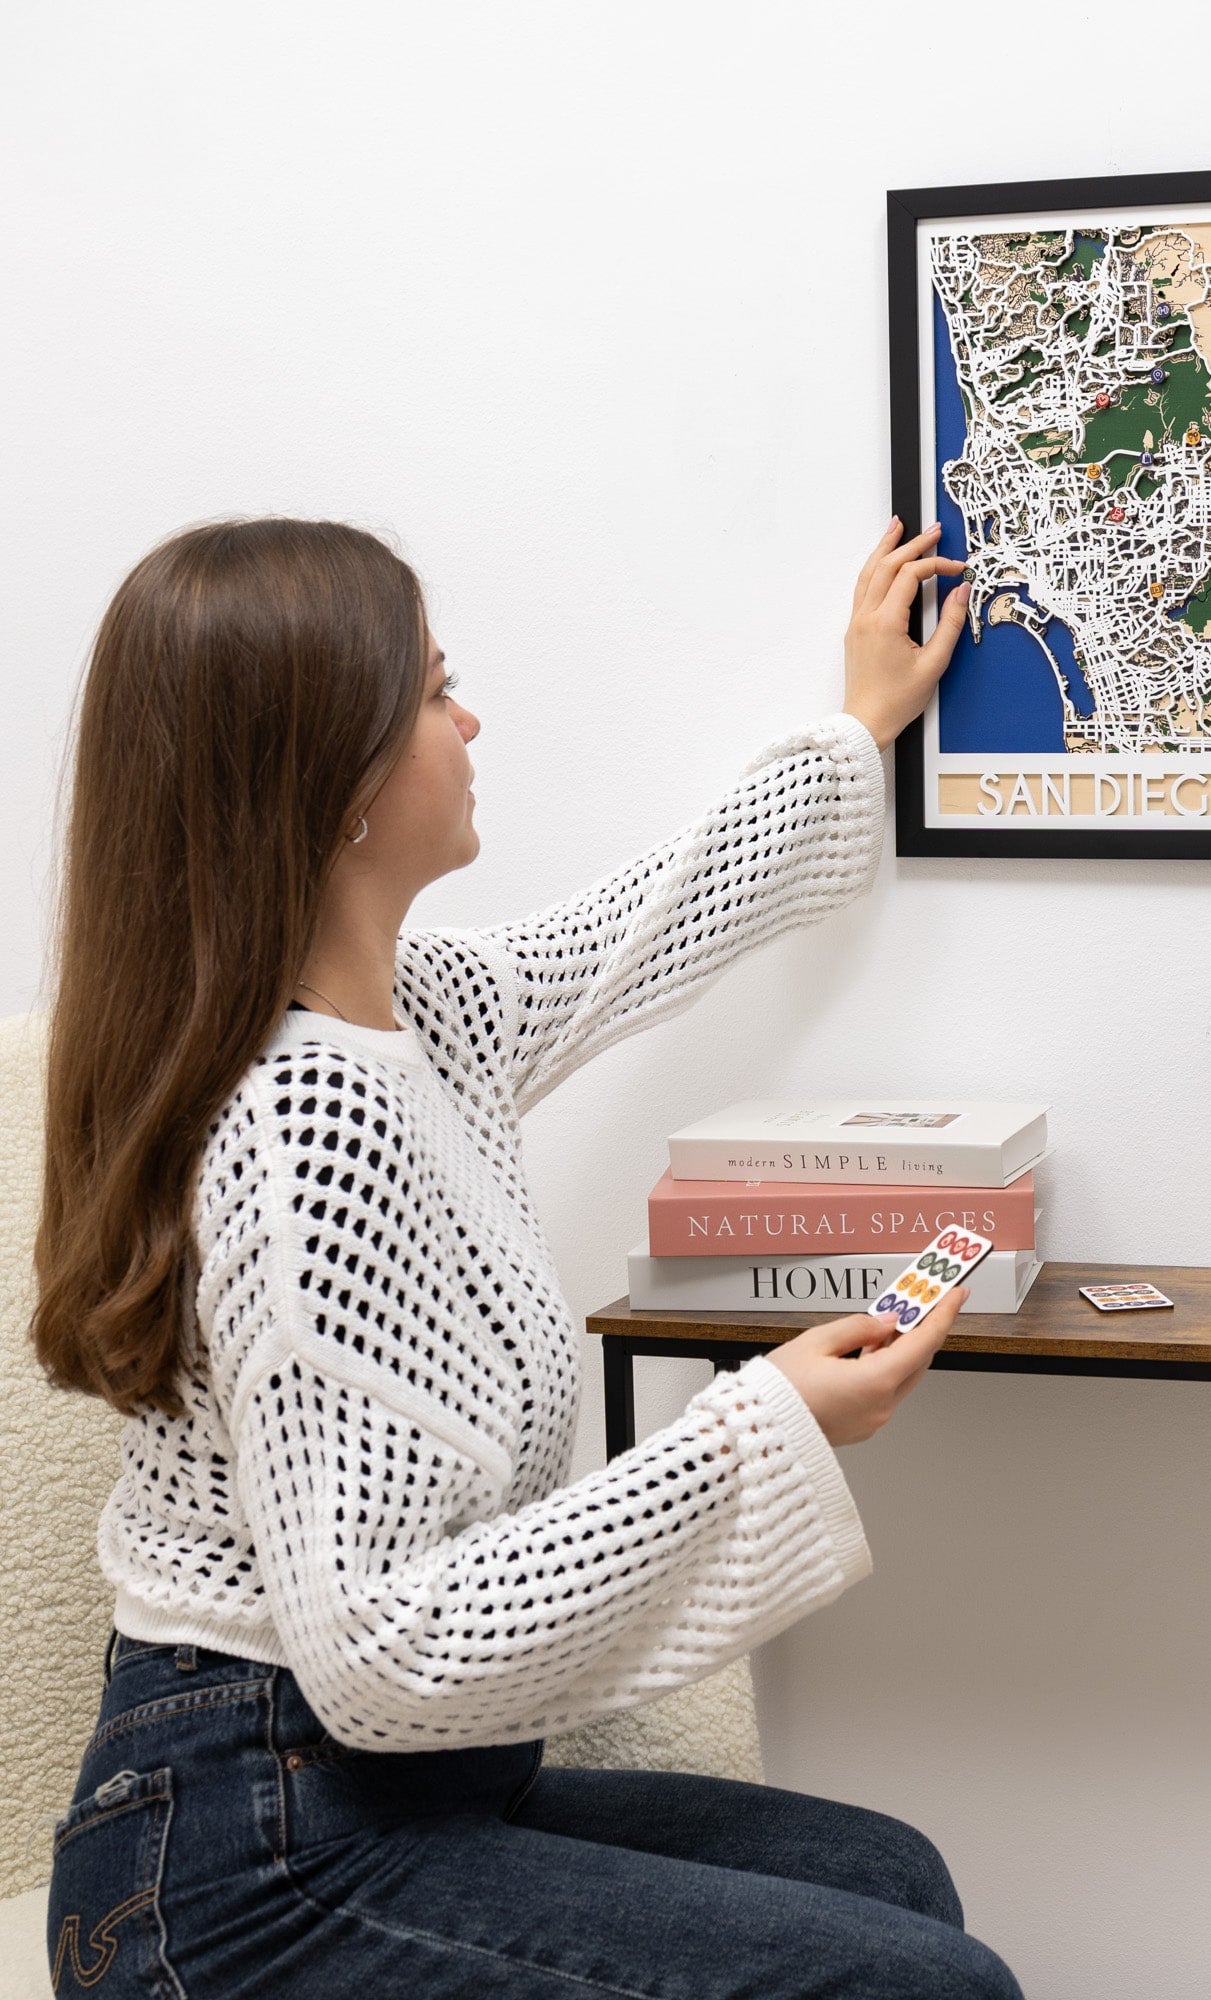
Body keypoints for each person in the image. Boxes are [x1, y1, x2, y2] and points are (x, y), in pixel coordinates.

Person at [30, 516, 1022, 1998]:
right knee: (928, 1984)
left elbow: (648, 924)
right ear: (339, 776)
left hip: (394, 1786)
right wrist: (763, 1424)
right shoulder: (299, 1135)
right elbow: (373, 1647)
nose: (470, 716)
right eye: (435, 691)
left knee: (891, 1881)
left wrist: (856, 723)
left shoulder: (419, 1012)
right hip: (241, 1854)